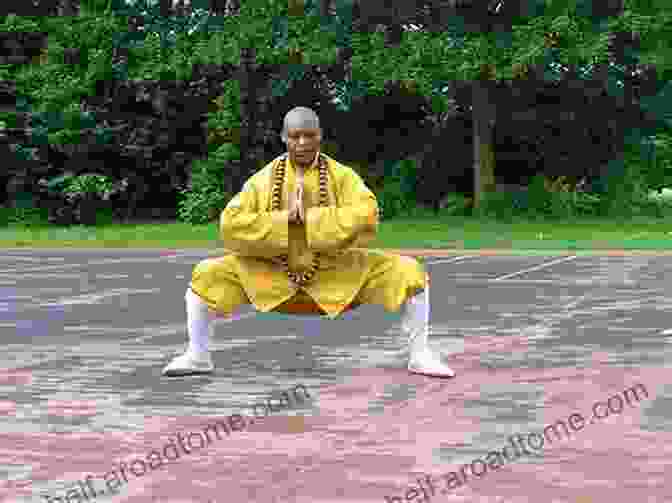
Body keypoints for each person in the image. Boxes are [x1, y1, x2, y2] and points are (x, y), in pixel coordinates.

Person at [162, 106, 455, 378]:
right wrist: (285, 221)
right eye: (295, 136)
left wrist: (311, 221)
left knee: (410, 271)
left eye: (309, 135)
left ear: (320, 136)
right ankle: (198, 355)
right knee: (207, 273)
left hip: (335, 271)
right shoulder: (263, 180)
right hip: (272, 273)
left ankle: (420, 354)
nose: (302, 142)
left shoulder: (342, 176)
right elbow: (230, 224)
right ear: (283, 138)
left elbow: (367, 214)